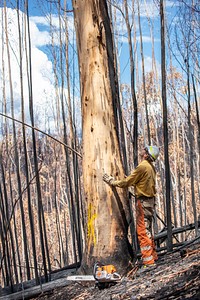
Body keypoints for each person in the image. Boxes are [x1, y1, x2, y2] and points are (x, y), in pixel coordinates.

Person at [103, 145, 160, 269]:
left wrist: (112, 181)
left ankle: (149, 262)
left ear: (146, 155)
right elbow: (142, 183)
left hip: (143, 203)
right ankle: (153, 256)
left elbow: (126, 183)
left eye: (145, 150)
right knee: (148, 230)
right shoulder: (150, 168)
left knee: (142, 232)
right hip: (149, 202)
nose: (143, 150)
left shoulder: (142, 166)